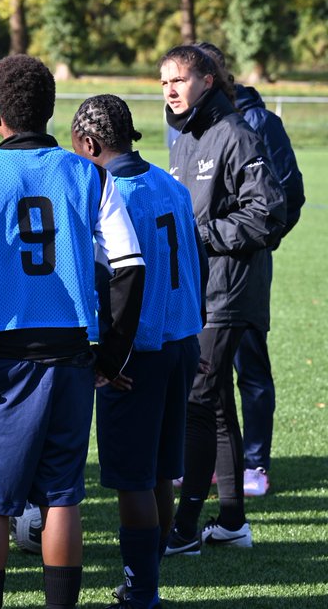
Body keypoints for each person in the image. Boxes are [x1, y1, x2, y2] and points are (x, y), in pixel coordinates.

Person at [0, 55, 145, 609]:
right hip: (72, 352)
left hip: (1, 359)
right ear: (51, 113)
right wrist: (111, 356)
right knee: (62, 497)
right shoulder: (90, 173)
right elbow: (129, 266)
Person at [71, 95, 204, 609]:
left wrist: (107, 355)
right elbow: (198, 265)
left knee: (132, 479)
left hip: (136, 353)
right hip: (182, 342)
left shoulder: (108, 194)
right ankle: (149, 578)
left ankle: (141, 590)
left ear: (89, 144)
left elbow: (107, 280)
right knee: (157, 473)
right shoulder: (170, 183)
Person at [160, 45, 286, 555]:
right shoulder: (186, 136)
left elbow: (269, 213)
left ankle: (185, 529)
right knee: (213, 406)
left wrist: (203, 232)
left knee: (198, 398)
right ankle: (231, 520)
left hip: (230, 290)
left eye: (179, 79)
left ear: (208, 81)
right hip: (200, 288)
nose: (169, 89)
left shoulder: (235, 133)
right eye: (163, 81)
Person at [195, 42, 304, 498]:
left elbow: (286, 199)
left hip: (243, 268)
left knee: (251, 365)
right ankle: (212, 463)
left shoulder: (258, 123)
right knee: (206, 373)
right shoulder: (187, 126)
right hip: (202, 273)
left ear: (219, 75)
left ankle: (255, 463)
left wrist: (257, 244)